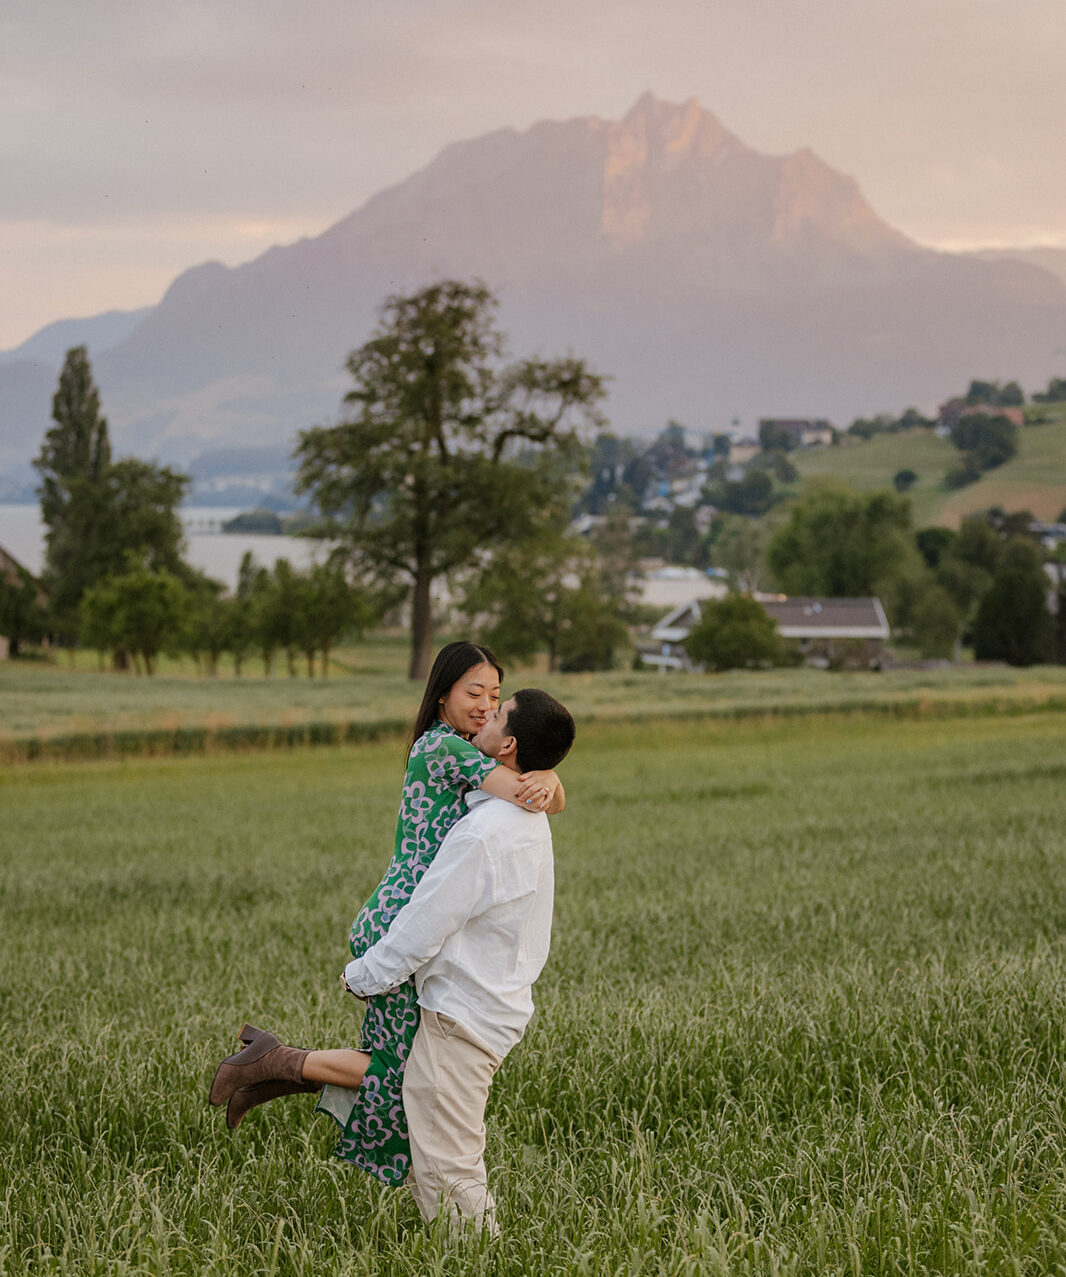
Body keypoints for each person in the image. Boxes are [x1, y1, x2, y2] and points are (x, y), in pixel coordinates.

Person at [209, 643, 565, 1187]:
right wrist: (551, 780)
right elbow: (525, 791)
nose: (485, 706)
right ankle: (276, 1063)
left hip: (412, 913)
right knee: (399, 1070)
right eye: (475, 693)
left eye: (495, 697)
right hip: (403, 919)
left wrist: (549, 780)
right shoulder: (443, 748)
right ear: (442, 692)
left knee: (397, 1064)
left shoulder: (467, 747)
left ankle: (276, 1067)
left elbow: (527, 786)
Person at [342, 687, 575, 1234]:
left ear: (507, 745)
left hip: (461, 1019)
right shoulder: (520, 818)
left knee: (450, 1170)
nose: (485, 713)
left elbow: (426, 922)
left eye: (495, 709)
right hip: (484, 1012)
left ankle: (484, 1258)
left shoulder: (485, 832)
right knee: (433, 1164)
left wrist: (364, 976)